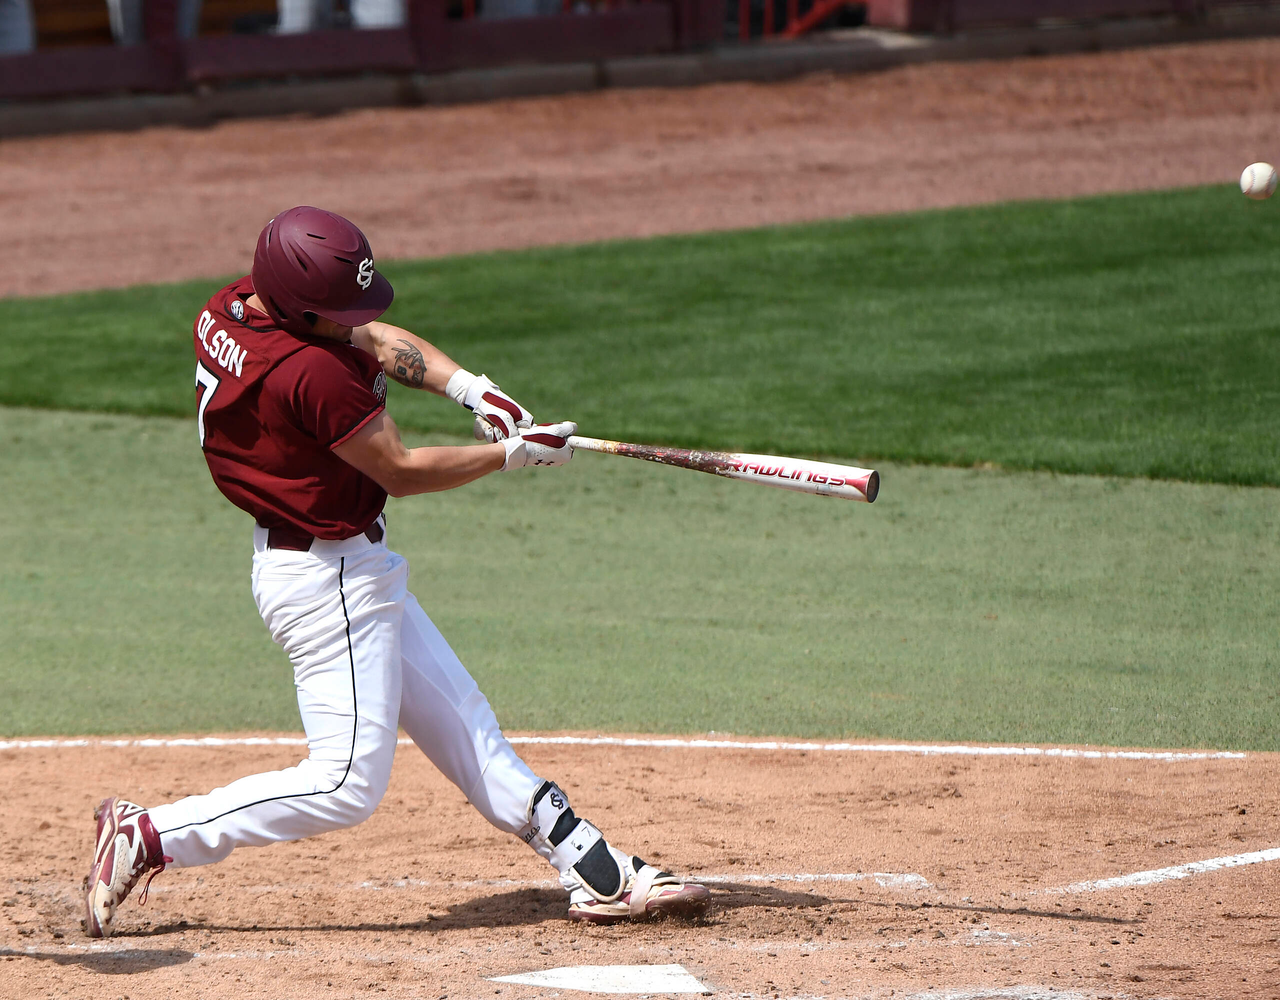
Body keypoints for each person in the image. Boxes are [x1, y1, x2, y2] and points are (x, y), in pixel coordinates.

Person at [84, 206, 709, 938]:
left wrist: (473, 390)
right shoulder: (311, 373)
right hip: (328, 584)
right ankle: (149, 834)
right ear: (301, 306)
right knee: (346, 783)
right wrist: (515, 454)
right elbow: (402, 470)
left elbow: (373, 337)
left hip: (337, 566)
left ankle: (592, 866)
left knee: (467, 726)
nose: (353, 320)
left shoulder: (239, 306)